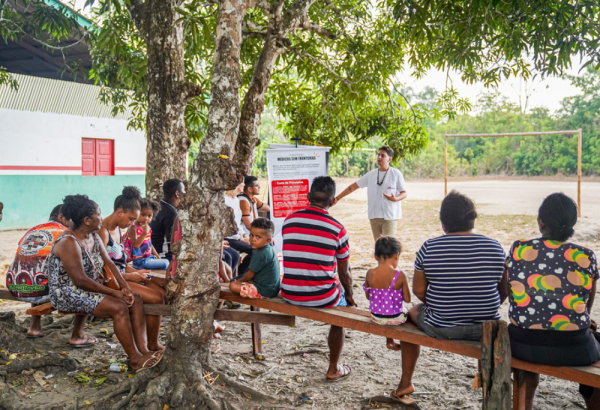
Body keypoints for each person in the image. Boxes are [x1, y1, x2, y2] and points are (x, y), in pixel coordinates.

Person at [393, 190, 507, 403]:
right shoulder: (495, 246)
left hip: (442, 325)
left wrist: (444, 303)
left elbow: (418, 291)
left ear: (444, 224)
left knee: (410, 315)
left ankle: (405, 382)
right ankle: (489, 389)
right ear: (471, 220)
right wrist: (481, 305)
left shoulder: (430, 246)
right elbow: (504, 290)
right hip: (487, 326)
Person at [506, 193, 600, 410]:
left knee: (534, 354)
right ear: (572, 224)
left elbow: (515, 296)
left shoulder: (519, 248)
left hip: (522, 343)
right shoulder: (585, 255)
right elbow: (586, 305)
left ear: (541, 222)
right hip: (574, 346)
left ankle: (524, 405)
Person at [48, 195, 161, 371]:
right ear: (87, 220)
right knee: (119, 307)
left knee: (135, 299)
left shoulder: (93, 236)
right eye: (98, 214)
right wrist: (114, 293)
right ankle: (135, 359)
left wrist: (124, 286)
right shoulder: (68, 242)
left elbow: (110, 263)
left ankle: (144, 350)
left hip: (87, 287)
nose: (101, 218)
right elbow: (80, 280)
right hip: (66, 292)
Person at [281, 176, 355, 382]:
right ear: (332, 202)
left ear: (307, 197)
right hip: (322, 297)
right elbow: (345, 272)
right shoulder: (337, 229)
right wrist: (349, 295)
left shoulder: (289, 221)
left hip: (290, 292)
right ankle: (333, 368)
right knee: (340, 312)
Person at [7, 205, 92, 346]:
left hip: (15, 285)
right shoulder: (67, 234)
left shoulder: (33, 230)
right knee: (84, 279)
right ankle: (78, 335)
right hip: (39, 288)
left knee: (38, 271)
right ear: (61, 217)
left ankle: (34, 327)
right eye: (72, 219)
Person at [99, 186, 167, 353]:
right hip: (112, 282)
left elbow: (121, 262)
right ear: (120, 212)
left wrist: (135, 273)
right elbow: (102, 270)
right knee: (156, 297)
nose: (131, 224)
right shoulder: (103, 232)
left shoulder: (118, 230)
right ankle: (147, 345)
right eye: (131, 219)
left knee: (162, 292)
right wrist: (130, 278)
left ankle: (150, 342)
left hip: (124, 276)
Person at [333, 146, 407, 241]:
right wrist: (337, 198)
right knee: (378, 245)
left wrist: (396, 199)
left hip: (389, 216)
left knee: (388, 245)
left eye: (382, 155)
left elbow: (404, 193)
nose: (379, 157)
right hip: (374, 216)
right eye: (378, 155)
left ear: (389, 159)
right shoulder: (371, 175)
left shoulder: (396, 173)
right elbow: (353, 187)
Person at [363, 236, 410, 351]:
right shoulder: (400, 275)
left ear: (375, 256)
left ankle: (390, 341)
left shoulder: (370, 273)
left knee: (386, 310)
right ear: (396, 256)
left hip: (376, 316)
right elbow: (407, 299)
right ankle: (403, 343)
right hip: (395, 317)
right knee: (404, 312)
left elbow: (368, 297)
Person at [229, 218, 280, 299]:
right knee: (235, 282)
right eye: (251, 235)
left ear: (268, 240)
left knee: (233, 286)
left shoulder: (260, 254)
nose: (253, 239)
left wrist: (240, 281)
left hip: (264, 291)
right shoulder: (267, 249)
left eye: (258, 237)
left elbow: (249, 275)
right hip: (272, 288)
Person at [123, 198, 170, 271]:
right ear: (137, 213)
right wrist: (144, 233)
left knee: (166, 263)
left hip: (150, 258)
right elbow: (135, 245)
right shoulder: (133, 227)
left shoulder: (147, 227)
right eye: (143, 214)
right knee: (166, 263)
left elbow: (149, 244)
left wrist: (157, 255)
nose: (146, 218)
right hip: (140, 261)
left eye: (149, 216)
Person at [151, 178, 185, 260]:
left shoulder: (161, 206)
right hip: (163, 256)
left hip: (155, 253)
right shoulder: (171, 213)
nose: (185, 193)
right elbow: (172, 241)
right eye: (183, 190)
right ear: (177, 194)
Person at [225, 181, 253, 274]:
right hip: (229, 237)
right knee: (254, 250)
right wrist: (240, 238)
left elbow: (237, 223)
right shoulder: (225, 200)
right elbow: (227, 224)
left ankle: (243, 273)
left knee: (258, 248)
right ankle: (241, 275)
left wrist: (244, 234)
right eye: (242, 183)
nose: (244, 185)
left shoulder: (236, 200)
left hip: (237, 236)